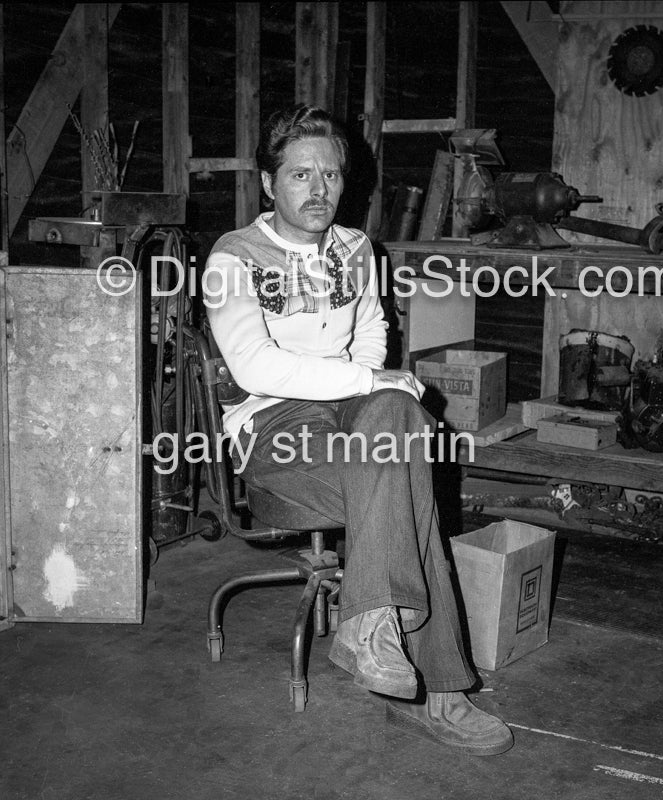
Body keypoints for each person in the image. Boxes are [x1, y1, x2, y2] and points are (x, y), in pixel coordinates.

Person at [204, 104, 513, 757]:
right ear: (268, 184)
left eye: (332, 176)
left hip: (349, 415)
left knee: (398, 421)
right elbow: (254, 364)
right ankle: (441, 693)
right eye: (300, 176)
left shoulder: (356, 249)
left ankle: (371, 627)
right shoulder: (234, 257)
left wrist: (369, 390)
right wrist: (366, 385)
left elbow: (373, 331)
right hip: (273, 430)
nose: (319, 191)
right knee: (407, 478)